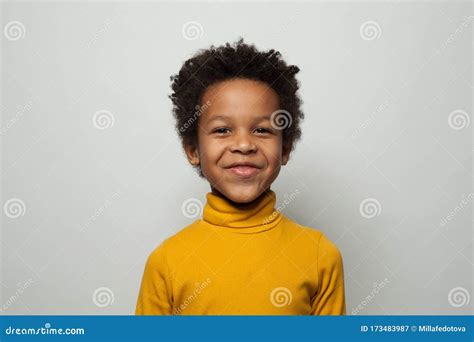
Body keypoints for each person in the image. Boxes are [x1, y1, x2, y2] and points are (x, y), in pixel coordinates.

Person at [135, 38, 346, 315]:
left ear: (285, 149)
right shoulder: (165, 261)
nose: (244, 145)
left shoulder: (320, 255)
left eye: (262, 130)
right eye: (222, 130)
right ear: (193, 149)